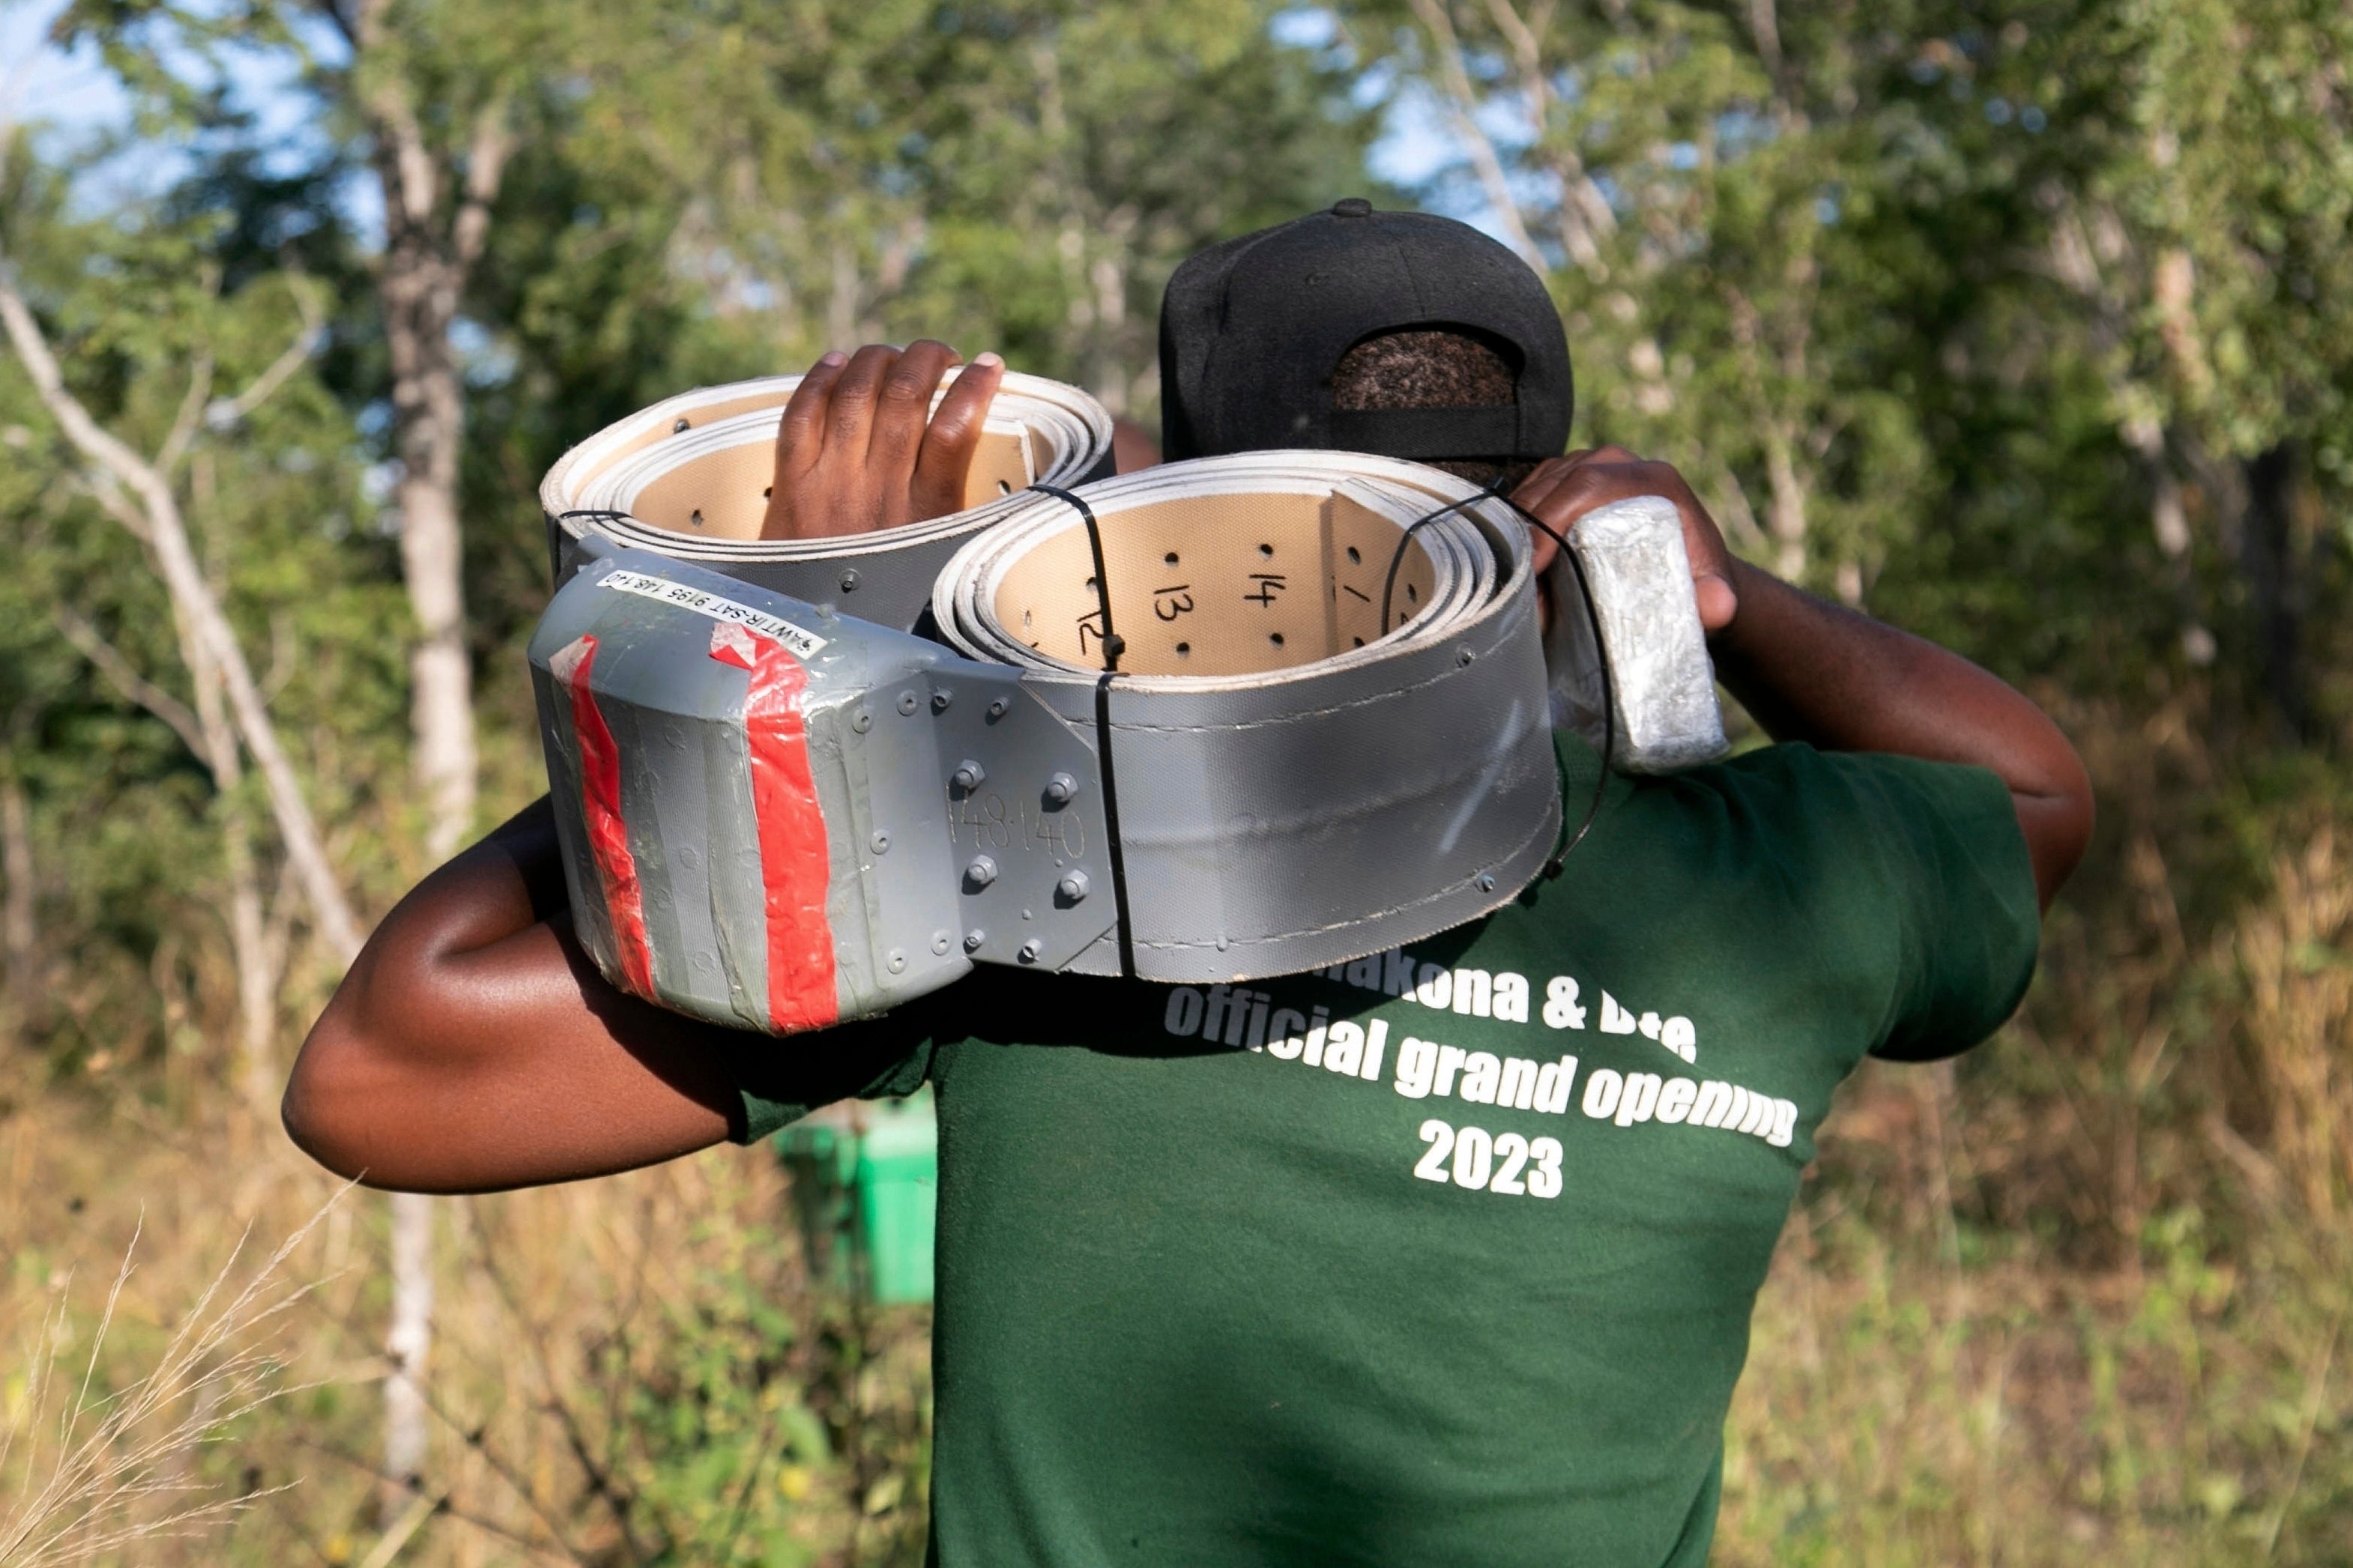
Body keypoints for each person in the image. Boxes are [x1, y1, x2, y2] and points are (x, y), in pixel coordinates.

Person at [286, 202, 2093, 1565]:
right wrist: (1718, 587)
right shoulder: (1782, 881)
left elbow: (382, 1073)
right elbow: (2032, 794)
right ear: (1555, 488)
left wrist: (800, 631)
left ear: (1172, 526)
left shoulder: (1014, 862)